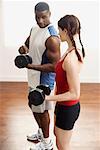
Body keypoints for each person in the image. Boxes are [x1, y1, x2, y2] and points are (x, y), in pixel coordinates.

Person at [18, 2, 60, 150]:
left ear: (50, 14)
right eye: (37, 17)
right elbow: (27, 45)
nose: (40, 21)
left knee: (42, 111)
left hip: (44, 80)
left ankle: (47, 143)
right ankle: (42, 132)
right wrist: (23, 49)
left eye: (44, 17)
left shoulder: (52, 38)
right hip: (33, 76)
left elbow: (54, 67)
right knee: (33, 105)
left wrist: (29, 66)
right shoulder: (34, 29)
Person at [45, 15, 85, 150]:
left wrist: (48, 98)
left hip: (68, 107)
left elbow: (75, 93)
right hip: (62, 104)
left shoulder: (70, 60)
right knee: (57, 136)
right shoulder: (72, 50)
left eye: (59, 30)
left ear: (66, 31)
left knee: (63, 146)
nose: (57, 33)